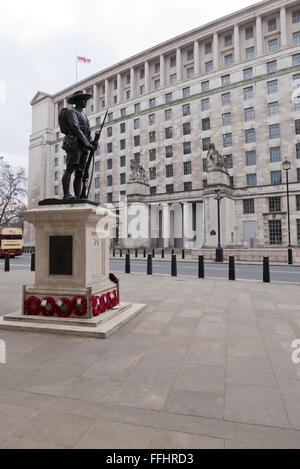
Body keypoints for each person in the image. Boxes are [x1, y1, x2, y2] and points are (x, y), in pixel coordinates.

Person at [60, 90, 97, 200]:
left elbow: (87, 132)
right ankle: (66, 194)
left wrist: (92, 142)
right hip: (75, 144)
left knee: (80, 172)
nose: (84, 101)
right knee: (70, 169)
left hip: (83, 147)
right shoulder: (71, 111)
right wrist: (87, 143)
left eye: (85, 99)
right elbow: (75, 128)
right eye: (82, 99)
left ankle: (77, 196)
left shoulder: (84, 115)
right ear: (76, 101)